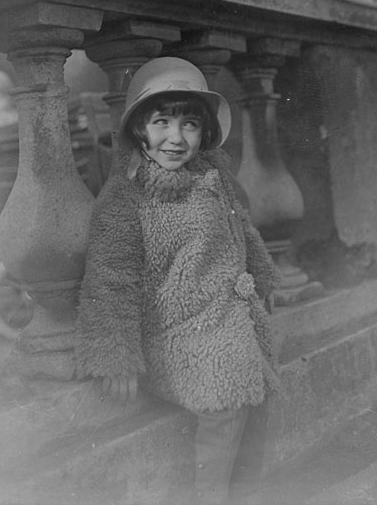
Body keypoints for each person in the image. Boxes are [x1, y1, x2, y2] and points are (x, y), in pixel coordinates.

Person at [74, 57, 278, 505]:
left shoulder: (210, 176)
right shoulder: (126, 196)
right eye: (161, 122)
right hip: (175, 332)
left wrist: (261, 276)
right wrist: (117, 355)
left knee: (257, 398)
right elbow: (111, 278)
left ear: (203, 134)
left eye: (189, 125)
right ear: (139, 132)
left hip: (223, 320)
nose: (175, 137)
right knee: (225, 396)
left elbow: (240, 228)